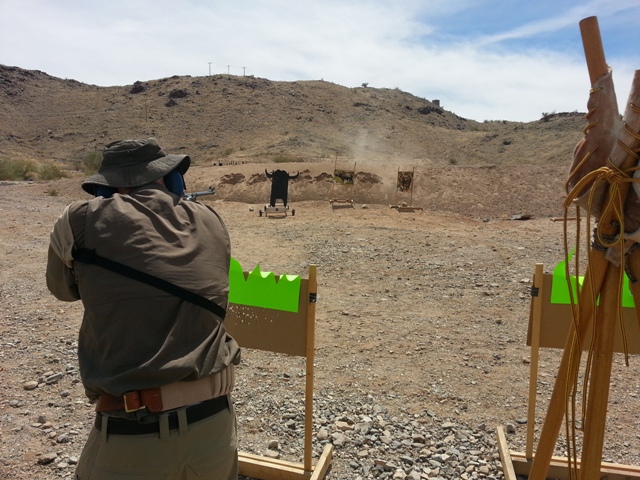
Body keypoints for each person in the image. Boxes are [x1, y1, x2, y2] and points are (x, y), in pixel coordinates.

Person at [46, 138, 241, 480]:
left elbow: (62, 290)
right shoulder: (212, 219)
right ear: (170, 179)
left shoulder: (77, 220)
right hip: (215, 429)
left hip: (132, 437)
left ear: (106, 187)